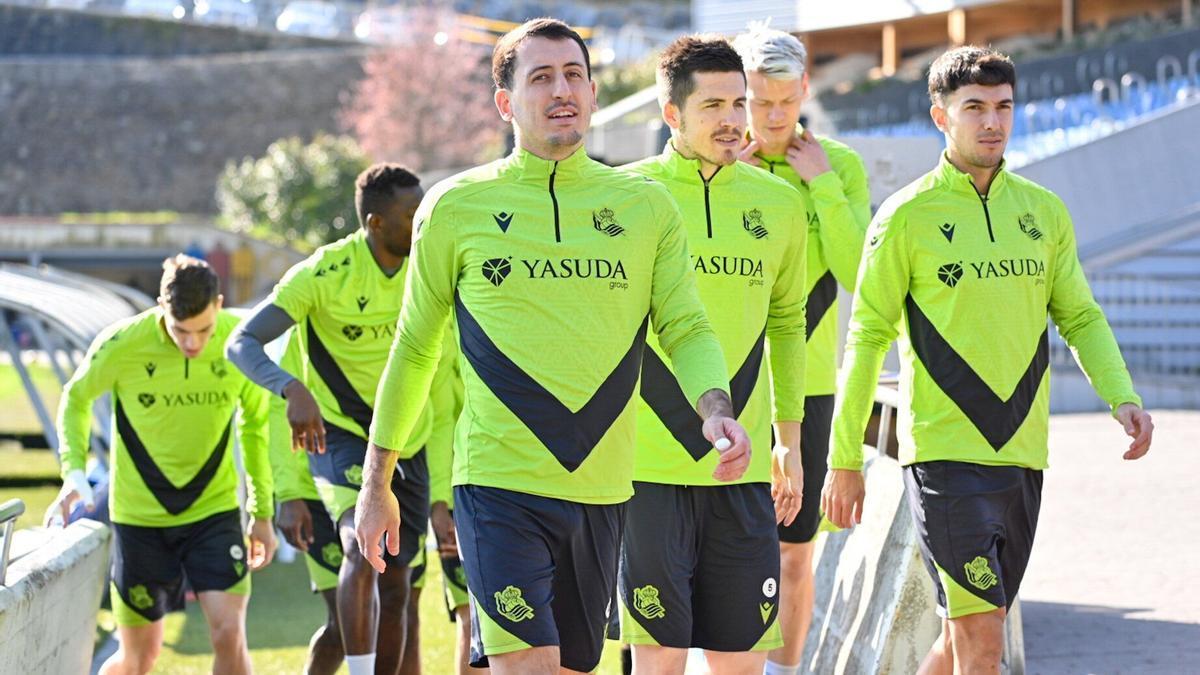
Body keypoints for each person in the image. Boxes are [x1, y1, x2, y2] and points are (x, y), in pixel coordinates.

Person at [354, 18, 749, 675]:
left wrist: (714, 407)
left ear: (593, 94)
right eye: (541, 77)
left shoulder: (646, 207)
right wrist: (378, 481)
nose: (561, 89)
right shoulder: (456, 207)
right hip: (496, 485)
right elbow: (415, 346)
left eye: (573, 76)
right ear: (506, 101)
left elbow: (686, 325)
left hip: (602, 489)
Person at [822, 46, 1154, 674]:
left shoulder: (1044, 212)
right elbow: (866, 337)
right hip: (946, 458)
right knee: (981, 644)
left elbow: (1079, 315)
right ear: (940, 117)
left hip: (1023, 455)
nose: (992, 122)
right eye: (973, 107)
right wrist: (844, 460)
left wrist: (1122, 396)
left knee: (964, 637)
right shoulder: (904, 218)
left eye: (1003, 107)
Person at [617, 35, 810, 674]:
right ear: (672, 114)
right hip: (645, 471)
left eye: (738, 103)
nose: (732, 120)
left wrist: (790, 441)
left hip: (743, 471)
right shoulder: (626, 197)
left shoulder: (781, 205)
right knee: (661, 659)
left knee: (739, 660)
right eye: (712, 106)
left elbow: (788, 324)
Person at [226, 164, 429, 675]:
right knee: (363, 551)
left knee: (399, 584)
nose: (422, 222)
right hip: (340, 438)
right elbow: (241, 342)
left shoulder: (430, 266)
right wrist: (291, 389)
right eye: (412, 214)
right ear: (376, 223)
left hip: (410, 439)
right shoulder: (326, 273)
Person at [47, 254, 276, 675]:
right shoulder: (124, 343)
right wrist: (73, 472)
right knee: (139, 657)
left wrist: (262, 512)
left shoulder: (238, 343)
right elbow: (76, 398)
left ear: (220, 305)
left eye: (203, 330)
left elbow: (256, 426)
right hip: (140, 520)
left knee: (229, 634)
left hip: (214, 513)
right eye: (180, 331)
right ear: (160, 307)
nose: (193, 343)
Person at [731, 25, 873, 675]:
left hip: (811, 391)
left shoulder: (838, 166)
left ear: (806, 90)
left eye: (787, 100)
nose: (776, 116)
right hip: (730, 388)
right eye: (761, 102)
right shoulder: (721, 170)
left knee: (793, 553)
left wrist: (821, 186)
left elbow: (857, 273)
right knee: (729, 552)